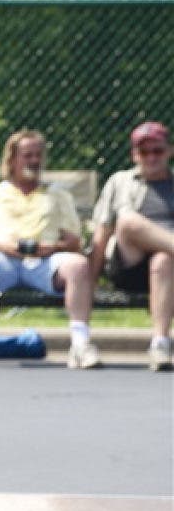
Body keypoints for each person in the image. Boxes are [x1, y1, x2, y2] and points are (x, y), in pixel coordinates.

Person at [0, 129, 101, 369]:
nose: (34, 161)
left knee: (79, 265)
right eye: (28, 155)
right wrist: (5, 246)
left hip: (45, 262)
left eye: (38, 155)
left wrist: (51, 247)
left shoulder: (59, 195)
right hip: (1, 259)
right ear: (12, 160)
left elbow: (74, 242)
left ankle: (81, 345)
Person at [89, 121, 173, 371]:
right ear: (134, 155)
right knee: (127, 220)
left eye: (157, 151)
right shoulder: (120, 182)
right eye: (144, 152)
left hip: (168, 270)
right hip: (129, 263)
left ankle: (160, 343)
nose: (151, 157)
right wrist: (90, 282)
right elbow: (102, 232)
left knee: (163, 259)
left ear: (169, 151)